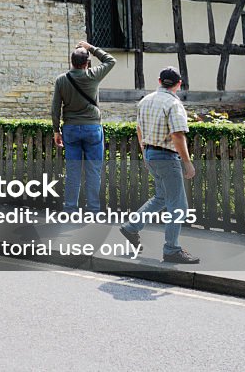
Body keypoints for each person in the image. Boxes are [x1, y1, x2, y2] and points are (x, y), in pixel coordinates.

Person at [119, 67, 200, 264]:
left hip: (150, 153)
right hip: (167, 157)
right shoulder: (173, 104)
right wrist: (188, 163)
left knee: (162, 197)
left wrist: (145, 154)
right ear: (179, 83)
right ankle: (171, 250)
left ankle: (131, 227)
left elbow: (139, 129)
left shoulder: (145, 101)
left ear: (159, 80)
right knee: (178, 206)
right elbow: (178, 135)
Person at [52, 40, 116, 214]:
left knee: (72, 171)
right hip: (92, 128)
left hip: (71, 129)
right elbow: (110, 60)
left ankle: (70, 208)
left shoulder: (61, 80)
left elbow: (55, 107)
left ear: (71, 62)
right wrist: (90, 48)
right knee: (93, 171)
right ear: (86, 63)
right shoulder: (93, 75)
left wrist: (56, 130)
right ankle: (94, 210)